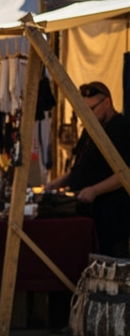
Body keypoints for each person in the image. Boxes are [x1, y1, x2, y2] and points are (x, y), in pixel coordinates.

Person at [46, 81, 130, 257]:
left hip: (111, 216)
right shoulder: (92, 128)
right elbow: (81, 165)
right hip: (87, 213)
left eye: (92, 109)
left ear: (107, 103)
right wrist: (59, 182)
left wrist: (95, 190)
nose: (88, 115)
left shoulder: (121, 129)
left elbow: (125, 174)